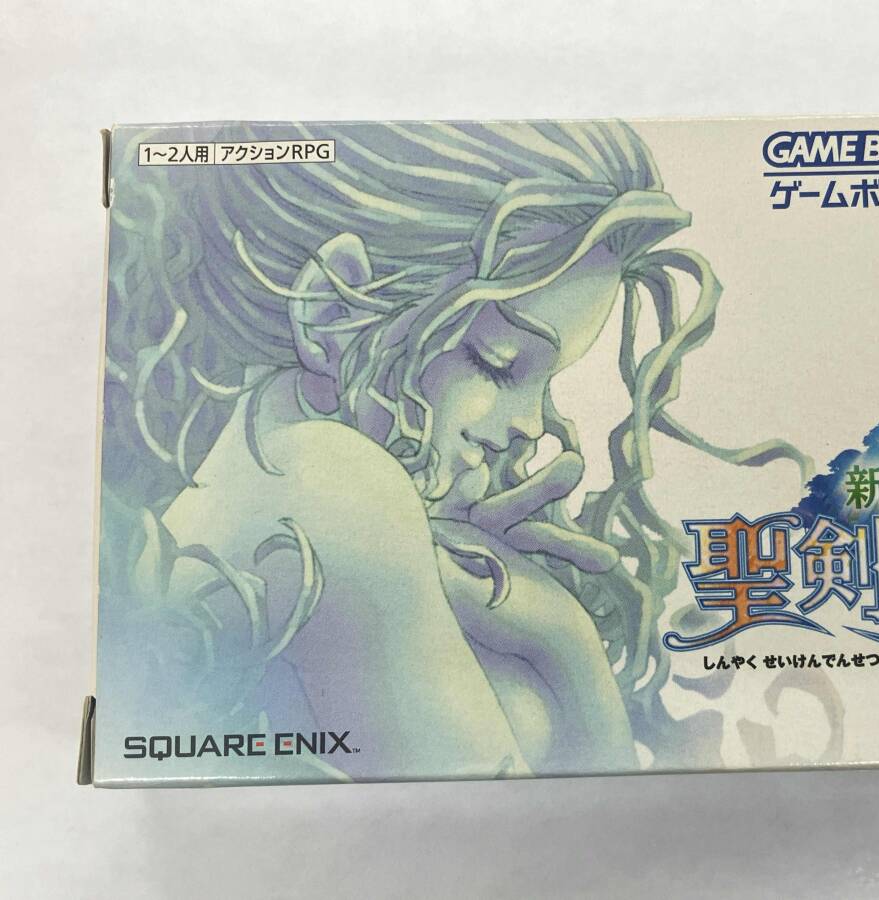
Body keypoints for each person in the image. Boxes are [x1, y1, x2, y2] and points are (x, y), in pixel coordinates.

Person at [99, 121, 809, 780]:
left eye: (547, 384)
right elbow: (562, 833)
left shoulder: (284, 472)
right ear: (333, 311)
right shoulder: (330, 482)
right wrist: (565, 642)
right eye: (498, 363)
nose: (532, 427)